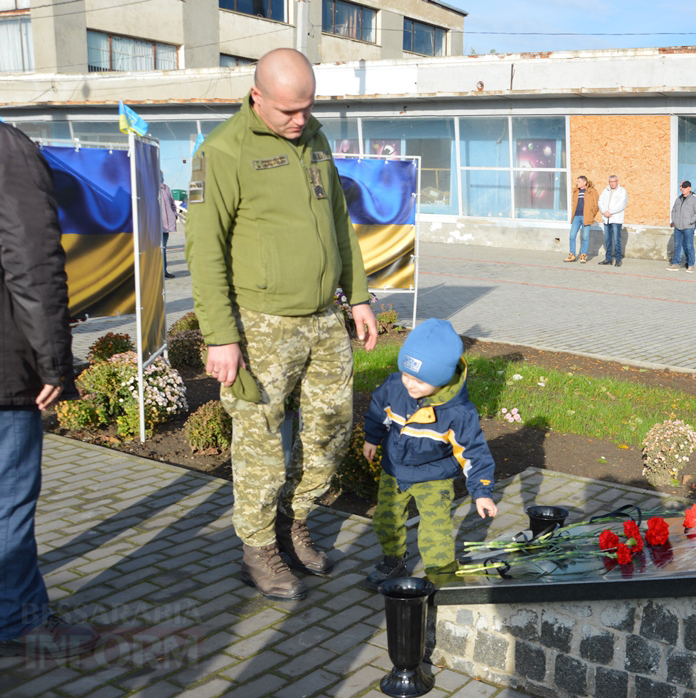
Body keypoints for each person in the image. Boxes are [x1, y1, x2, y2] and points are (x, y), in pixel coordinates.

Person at [185, 48, 378, 601]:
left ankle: (292, 520)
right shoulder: (222, 151)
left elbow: (339, 223)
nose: (300, 120)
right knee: (261, 441)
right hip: (260, 322)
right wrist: (220, 334)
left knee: (330, 431)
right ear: (257, 96)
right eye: (288, 110)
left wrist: (358, 297)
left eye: (308, 107)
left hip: (322, 317)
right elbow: (204, 252)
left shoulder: (314, 140)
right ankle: (257, 547)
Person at [0, 123, 99, 658]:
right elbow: (33, 265)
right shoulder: (7, 151)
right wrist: (54, 363)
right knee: (7, 504)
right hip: (5, 371)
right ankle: (17, 621)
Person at [362, 319, 498, 588]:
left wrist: (482, 492)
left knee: (435, 530)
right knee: (386, 520)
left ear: (442, 378)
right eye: (406, 375)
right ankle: (394, 560)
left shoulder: (458, 412)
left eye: (420, 381)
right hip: (394, 470)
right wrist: (372, 438)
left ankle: (442, 574)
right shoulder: (394, 387)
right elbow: (379, 409)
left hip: (434, 477)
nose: (410, 385)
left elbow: (473, 451)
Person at [668, 180, 696, 273]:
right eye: (681, 187)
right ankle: (675, 264)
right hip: (678, 227)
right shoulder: (678, 199)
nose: (682, 188)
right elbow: (673, 211)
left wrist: (691, 221)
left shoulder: (695, 199)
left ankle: (691, 265)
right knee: (677, 245)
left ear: (689, 188)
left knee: (689, 245)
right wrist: (673, 221)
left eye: (684, 187)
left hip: (688, 227)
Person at [564, 175, 600, 264]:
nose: (577, 183)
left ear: (584, 182)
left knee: (585, 237)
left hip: (586, 217)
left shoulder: (592, 191)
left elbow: (596, 205)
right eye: (577, 181)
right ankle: (572, 255)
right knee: (572, 235)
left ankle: (583, 255)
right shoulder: (576, 191)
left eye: (579, 181)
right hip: (576, 216)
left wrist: (591, 215)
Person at [597, 175, 628, 267]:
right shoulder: (605, 191)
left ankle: (618, 259)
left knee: (616, 240)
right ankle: (608, 258)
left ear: (617, 182)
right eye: (610, 182)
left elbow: (621, 205)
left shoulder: (622, 191)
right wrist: (604, 211)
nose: (612, 183)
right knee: (607, 240)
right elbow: (600, 202)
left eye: (614, 181)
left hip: (616, 219)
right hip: (606, 219)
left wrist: (609, 211)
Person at [160, 172, 178, 279]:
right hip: (155, 225)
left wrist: (174, 214)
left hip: (167, 225)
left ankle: (164, 270)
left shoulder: (166, 188)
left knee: (163, 248)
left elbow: (172, 203)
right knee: (156, 249)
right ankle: (156, 270)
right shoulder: (150, 187)